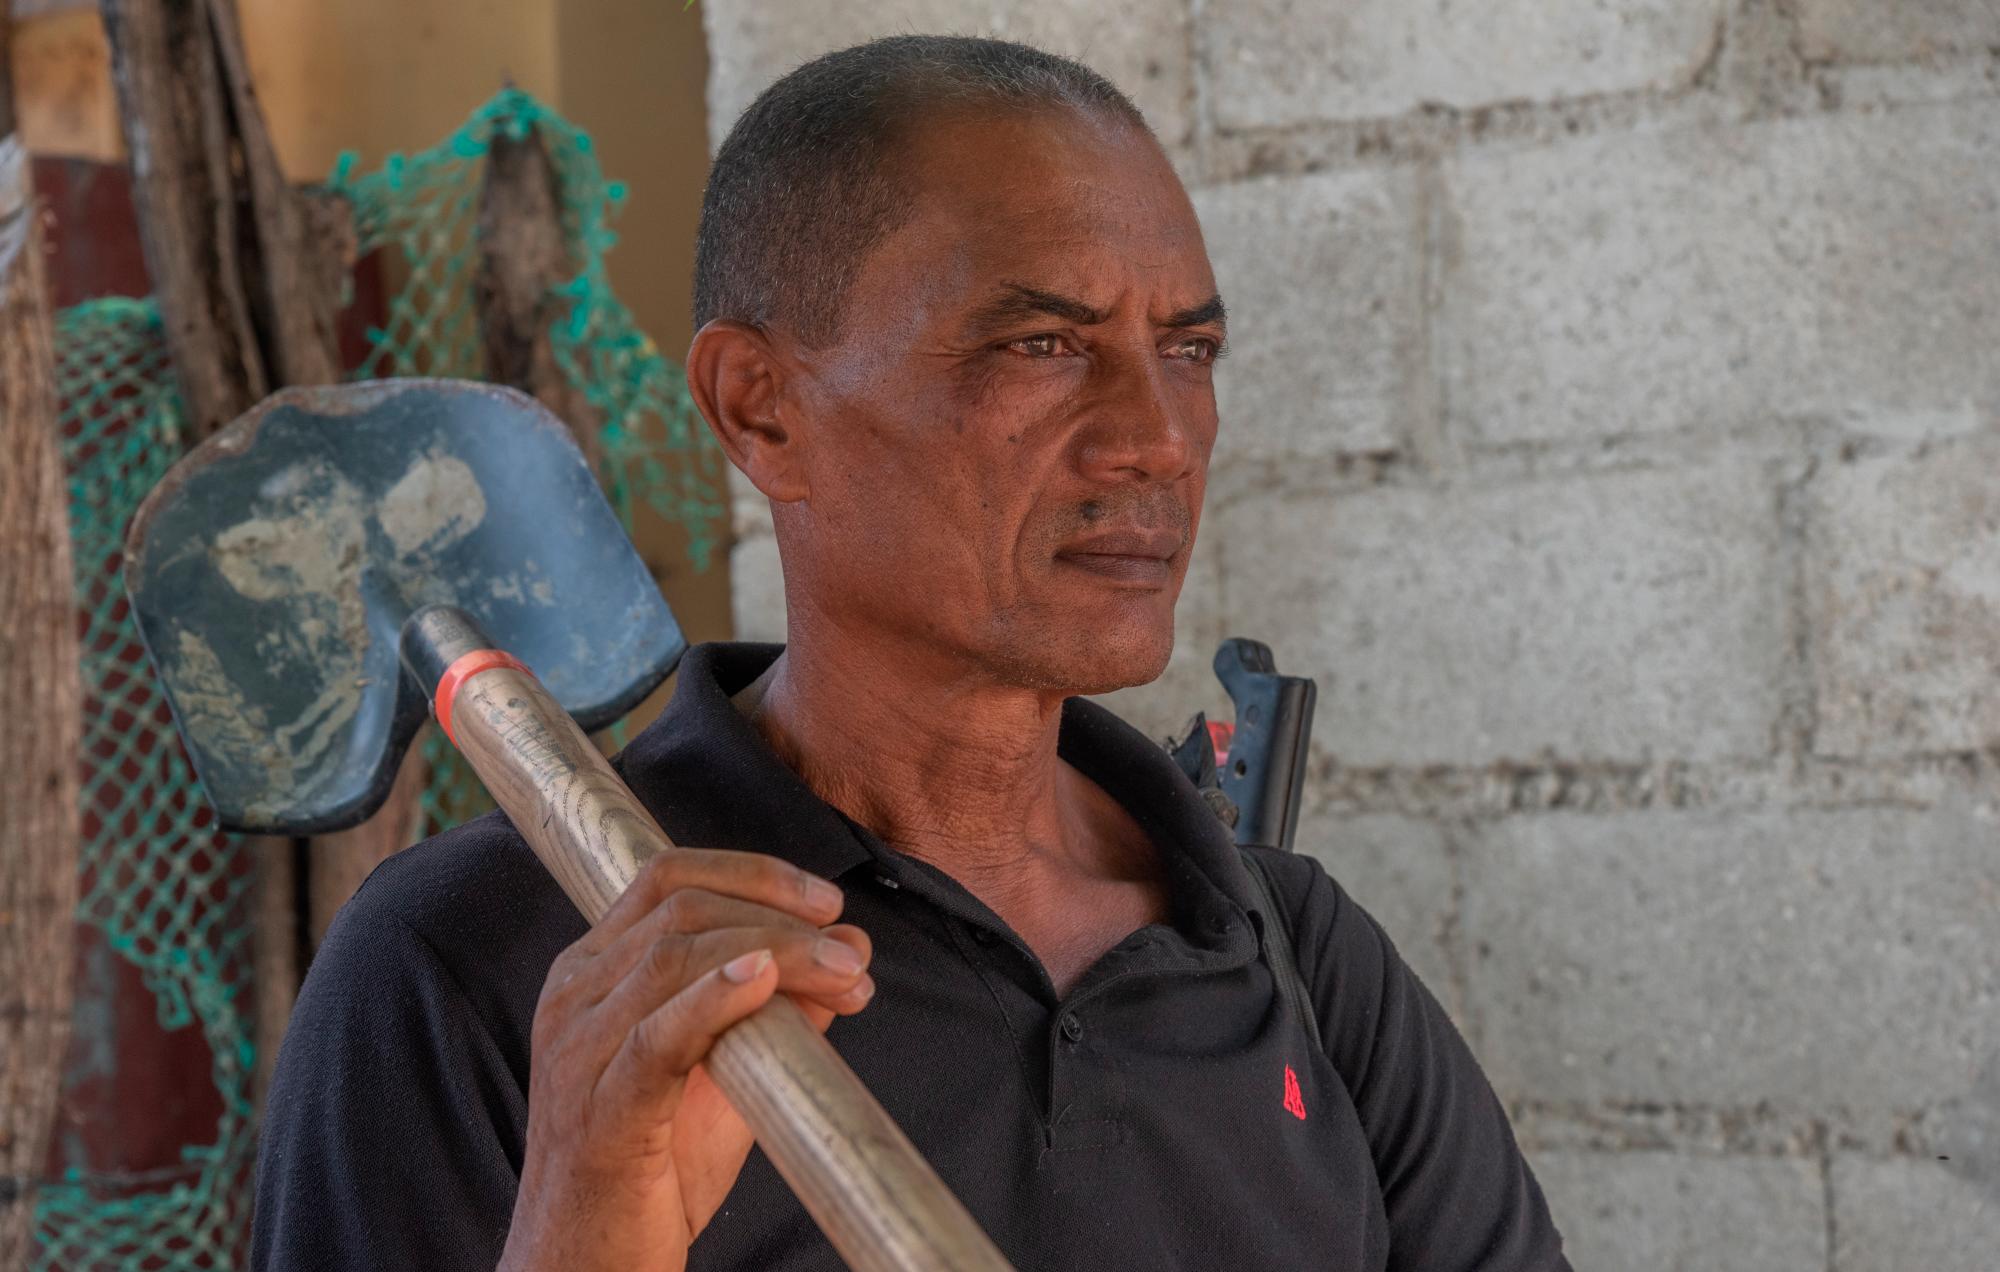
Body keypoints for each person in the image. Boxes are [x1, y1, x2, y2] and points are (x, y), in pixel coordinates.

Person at [252, 34, 1570, 1272]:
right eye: (1043, 346)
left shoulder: (1297, 958)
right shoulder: (505, 966)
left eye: (1189, 350)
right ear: (760, 409)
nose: (1159, 437)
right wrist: (586, 1225)